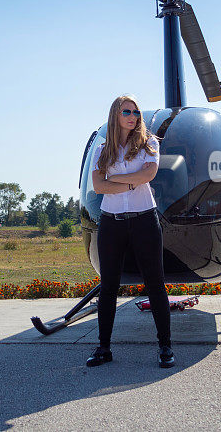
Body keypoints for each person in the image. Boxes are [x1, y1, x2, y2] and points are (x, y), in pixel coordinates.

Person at [88, 95, 174, 368]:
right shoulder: (101, 148)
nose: (133, 116)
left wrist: (114, 179)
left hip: (144, 220)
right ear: (116, 114)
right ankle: (104, 348)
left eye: (136, 111)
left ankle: (165, 347)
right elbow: (98, 187)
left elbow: (147, 175)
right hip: (111, 222)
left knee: (155, 283)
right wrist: (128, 184)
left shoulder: (148, 143)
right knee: (109, 284)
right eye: (127, 111)